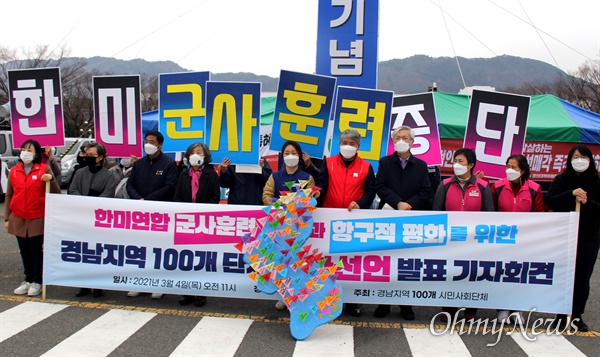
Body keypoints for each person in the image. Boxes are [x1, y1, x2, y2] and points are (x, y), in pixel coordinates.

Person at [313, 129, 375, 317]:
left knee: (351, 262)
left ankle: (353, 301)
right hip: (329, 220)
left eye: (352, 143)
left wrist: (361, 203)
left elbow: (370, 191)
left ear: (358, 146)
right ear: (339, 144)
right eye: (344, 142)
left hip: (353, 221)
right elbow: (321, 183)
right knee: (328, 261)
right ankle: (326, 298)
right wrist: (317, 192)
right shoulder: (329, 163)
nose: (347, 146)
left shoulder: (366, 166)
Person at [374, 126, 432, 320]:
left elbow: (426, 191)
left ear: (412, 142)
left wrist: (408, 205)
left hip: (411, 219)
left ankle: (406, 304)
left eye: (405, 138)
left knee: (406, 263)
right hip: (389, 216)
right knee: (387, 261)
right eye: (397, 137)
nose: (401, 140)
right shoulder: (385, 162)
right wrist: (397, 202)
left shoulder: (422, 165)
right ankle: (384, 303)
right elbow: (380, 186)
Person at [433, 147, 494, 322]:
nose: (456, 165)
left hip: (474, 239)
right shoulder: (445, 185)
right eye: (455, 161)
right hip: (451, 238)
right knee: (450, 273)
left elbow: (489, 213)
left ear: (471, 165)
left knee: (473, 274)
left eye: (461, 162)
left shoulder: (482, 186)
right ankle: (448, 310)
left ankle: (470, 310)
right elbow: (437, 211)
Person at [545, 145, 600, 332]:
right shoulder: (562, 179)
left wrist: (587, 202)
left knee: (582, 277)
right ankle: (561, 315)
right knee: (563, 275)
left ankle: (576, 315)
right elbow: (550, 200)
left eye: (584, 157)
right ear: (569, 159)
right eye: (576, 156)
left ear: (590, 160)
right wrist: (571, 194)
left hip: (588, 236)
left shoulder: (597, 181)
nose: (579, 160)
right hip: (564, 235)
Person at [492, 154, 546, 323]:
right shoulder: (498, 186)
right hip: (502, 238)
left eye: (514, 167)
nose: (510, 170)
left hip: (525, 239)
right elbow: (490, 212)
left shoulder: (534, 189)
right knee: (502, 273)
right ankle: (502, 308)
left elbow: (539, 214)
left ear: (523, 170)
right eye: (508, 166)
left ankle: (518, 309)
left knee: (521, 273)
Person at [126, 130, 178, 299]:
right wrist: (139, 200)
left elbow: (170, 187)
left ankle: (159, 283)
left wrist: (148, 200)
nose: (147, 144)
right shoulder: (139, 164)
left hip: (160, 213)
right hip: (140, 213)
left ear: (160, 145)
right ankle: (138, 282)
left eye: (151, 141)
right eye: (146, 140)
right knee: (140, 248)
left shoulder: (169, 164)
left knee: (158, 249)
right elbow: (130, 185)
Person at [5, 140, 60, 297]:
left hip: (37, 217)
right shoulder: (15, 171)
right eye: (23, 149)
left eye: (29, 149)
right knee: (24, 250)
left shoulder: (43, 169)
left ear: (36, 153)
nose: (25, 152)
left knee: (36, 250)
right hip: (19, 217)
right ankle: (28, 279)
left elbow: (55, 193)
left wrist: (50, 179)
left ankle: (37, 281)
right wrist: (7, 218)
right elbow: (9, 195)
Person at [173, 143, 220, 307]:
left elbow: (215, 198)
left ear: (205, 155)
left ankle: (201, 292)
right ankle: (187, 291)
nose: (195, 154)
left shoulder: (211, 175)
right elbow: (177, 196)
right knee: (186, 257)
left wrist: (201, 211)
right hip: (186, 222)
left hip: (203, 222)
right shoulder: (184, 175)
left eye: (198, 152)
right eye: (192, 152)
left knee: (201, 258)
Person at [69, 143, 118, 298]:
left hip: (98, 219)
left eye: (92, 155)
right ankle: (83, 284)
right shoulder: (80, 172)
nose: (88, 158)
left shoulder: (109, 176)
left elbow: (108, 194)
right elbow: (72, 189)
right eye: (87, 154)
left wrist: (92, 204)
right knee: (83, 251)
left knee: (98, 252)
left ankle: (98, 285)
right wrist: (83, 202)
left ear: (101, 157)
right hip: (81, 218)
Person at [263, 141, 315, 206]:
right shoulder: (274, 176)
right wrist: (278, 203)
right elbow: (266, 196)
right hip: (278, 214)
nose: (290, 156)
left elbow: (312, 200)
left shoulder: (308, 178)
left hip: (298, 215)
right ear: (283, 156)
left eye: (294, 153)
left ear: (299, 155)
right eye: (287, 153)